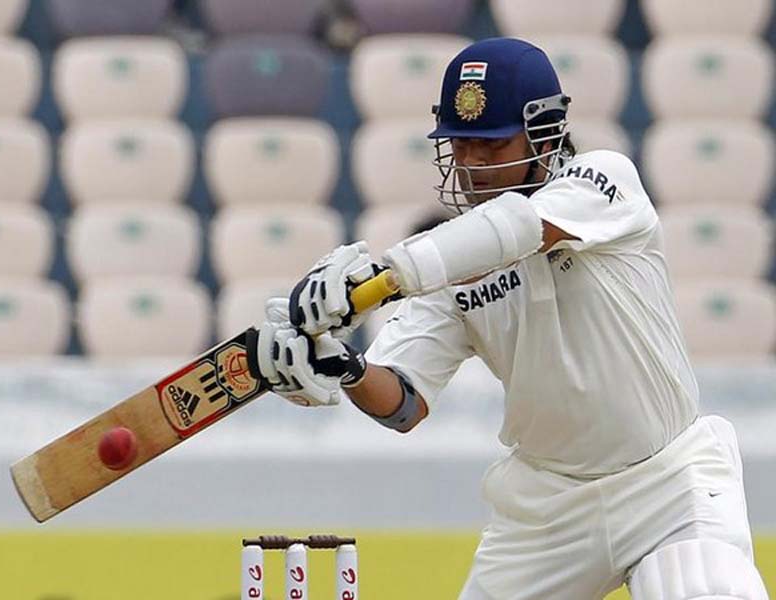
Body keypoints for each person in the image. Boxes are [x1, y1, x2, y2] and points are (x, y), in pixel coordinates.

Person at [247, 38, 769, 599]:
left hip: (668, 482)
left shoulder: (604, 183)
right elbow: (403, 405)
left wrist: (376, 282)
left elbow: (520, 230)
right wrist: (345, 368)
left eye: (491, 147)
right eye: (461, 145)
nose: (471, 165)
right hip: (547, 509)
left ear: (545, 136)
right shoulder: (443, 267)